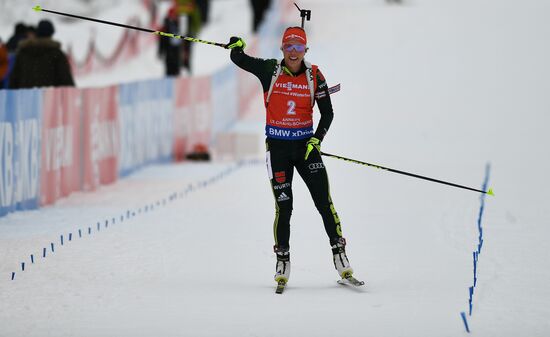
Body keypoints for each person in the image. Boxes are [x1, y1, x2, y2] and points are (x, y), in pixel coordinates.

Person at [227, 27, 357, 287]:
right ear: (282, 49)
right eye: (289, 47)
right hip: (278, 150)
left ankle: (340, 254)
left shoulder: (314, 75)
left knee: (324, 202)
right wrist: (237, 46)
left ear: (306, 50)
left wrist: (316, 140)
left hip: (305, 149)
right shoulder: (270, 70)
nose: (294, 52)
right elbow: (240, 59)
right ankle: (283, 259)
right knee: (284, 207)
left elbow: (327, 113)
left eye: (299, 47)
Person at [9, 19, 75, 89]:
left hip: (25, 96)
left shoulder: (23, 52)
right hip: (49, 96)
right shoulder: (56, 53)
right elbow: (65, 78)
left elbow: (14, 78)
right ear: (51, 33)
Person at [158, 6, 182, 76]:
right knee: (169, 70)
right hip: (168, 51)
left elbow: (184, 38)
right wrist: (160, 51)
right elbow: (161, 40)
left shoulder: (179, 24)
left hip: (177, 51)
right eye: (172, 15)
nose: (173, 17)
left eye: (175, 15)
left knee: (177, 70)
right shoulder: (165, 25)